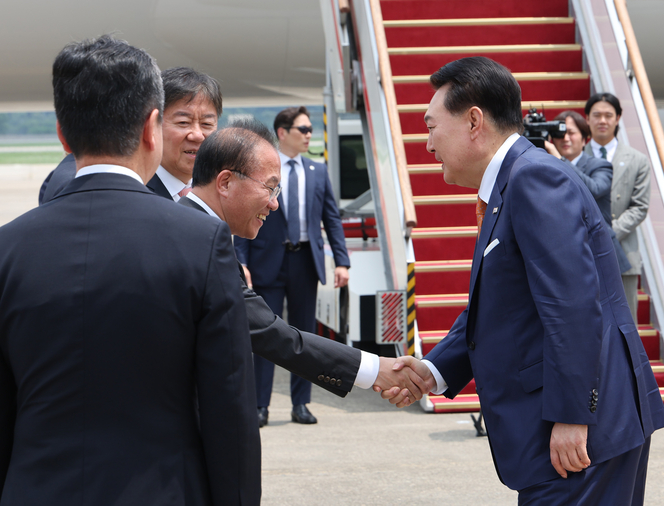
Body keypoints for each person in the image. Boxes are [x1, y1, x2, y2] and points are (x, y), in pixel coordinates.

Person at [388, 56, 664, 504]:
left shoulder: (533, 178)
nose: (428, 144)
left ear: (474, 121)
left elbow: (573, 304)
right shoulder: (511, 183)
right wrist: (433, 370)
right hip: (567, 434)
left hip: (582, 436)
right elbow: (500, 306)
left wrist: (574, 416)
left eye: (431, 126)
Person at [0, 35, 260, 505]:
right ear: (151, 129)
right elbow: (230, 411)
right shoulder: (200, 243)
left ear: (62, 134)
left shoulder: (8, 248)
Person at [178, 119, 428, 424]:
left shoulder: (187, 225)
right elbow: (272, 335)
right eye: (269, 188)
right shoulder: (201, 240)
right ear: (226, 182)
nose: (274, 204)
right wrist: (374, 369)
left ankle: (300, 403)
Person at [235, 106, 350, 426]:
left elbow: (331, 219)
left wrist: (342, 262)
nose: (309, 135)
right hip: (266, 261)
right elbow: (245, 214)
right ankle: (260, 405)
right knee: (264, 335)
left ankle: (301, 403)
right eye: (303, 129)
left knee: (304, 335)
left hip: (304, 262)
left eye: (310, 129)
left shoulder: (317, 170)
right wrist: (240, 260)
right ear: (283, 133)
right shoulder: (264, 170)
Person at [38, 66, 219, 204]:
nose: (197, 135)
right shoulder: (112, 189)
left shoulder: (219, 190)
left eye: (207, 124)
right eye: (183, 123)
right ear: (150, 124)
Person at [584, 93, 651, 323]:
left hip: (624, 252)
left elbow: (640, 207)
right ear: (587, 119)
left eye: (608, 115)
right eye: (597, 115)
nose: (602, 120)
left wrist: (608, 234)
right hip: (585, 251)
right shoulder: (576, 157)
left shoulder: (637, 159)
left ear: (618, 118)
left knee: (626, 323)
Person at [544, 110, 631, 274]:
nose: (565, 139)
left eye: (571, 133)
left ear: (585, 139)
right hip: (564, 255)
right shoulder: (545, 169)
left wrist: (560, 161)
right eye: (559, 134)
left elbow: (593, 189)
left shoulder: (600, 165)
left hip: (599, 252)